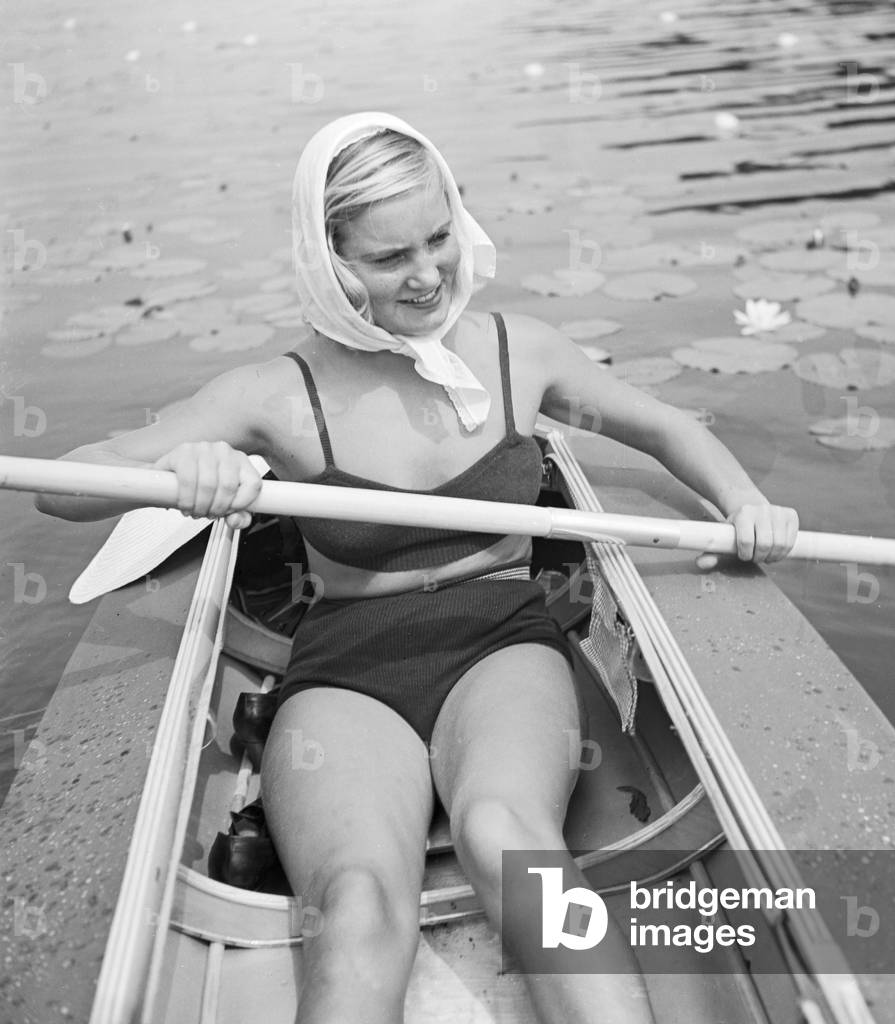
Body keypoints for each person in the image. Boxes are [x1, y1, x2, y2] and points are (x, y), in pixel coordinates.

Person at [35, 112, 799, 1023]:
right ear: (330, 263)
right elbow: (67, 488)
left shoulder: (521, 350)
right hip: (345, 673)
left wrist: (744, 502)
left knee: (504, 834)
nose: (430, 273)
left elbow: (664, 425)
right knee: (357, 899)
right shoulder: (275, 393)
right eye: (390, 257)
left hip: (501, 646)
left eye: (439, 237)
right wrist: (175, 473)